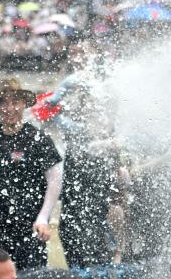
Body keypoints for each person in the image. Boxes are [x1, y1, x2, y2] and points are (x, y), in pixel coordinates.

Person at [0, 79, 63, 270]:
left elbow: (55, 179)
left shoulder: (38, 139)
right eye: (3, 103)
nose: (9, 108)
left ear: (23, 104)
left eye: (15, 102)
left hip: (30, 225)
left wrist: (43, 218)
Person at [46, 42, 123, 267]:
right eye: (74, 53)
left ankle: (107, 264)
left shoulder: (103, 84)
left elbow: (108, 128)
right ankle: (80, 268)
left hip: (99, 171)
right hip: (75, 170)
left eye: (83, 53)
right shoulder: (71, 89)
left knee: (97, 220)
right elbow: (49, 112)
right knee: (71, 224)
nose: (77, 57)